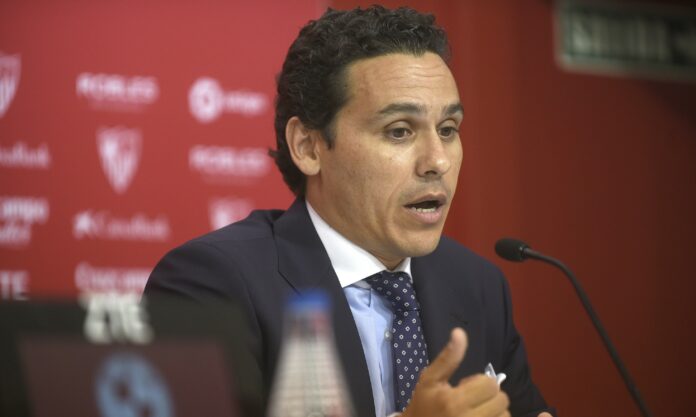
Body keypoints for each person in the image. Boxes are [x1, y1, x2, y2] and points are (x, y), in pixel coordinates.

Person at [145, 5, 554, 417]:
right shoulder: (214, 285)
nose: (438, 161)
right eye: (399, 131)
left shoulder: (477, 285)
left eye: (448, 130)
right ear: (308, 147)